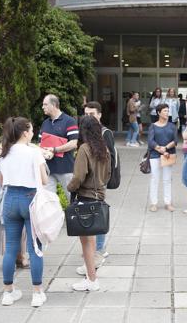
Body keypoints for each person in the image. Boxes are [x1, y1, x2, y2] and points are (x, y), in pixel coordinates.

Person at [0, 117, 48, 307]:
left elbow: (1, 181)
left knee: (10, 248)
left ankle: (8, 293)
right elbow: (43, 180)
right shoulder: (34, 152)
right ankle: (36, 292)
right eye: (32, 130)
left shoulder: (4, 152)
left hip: (10, 199)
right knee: (35, 248)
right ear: (25, 133)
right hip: (30, 199)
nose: (33, 133)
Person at [67, 116, 111, 292]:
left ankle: (91, 280)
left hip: (85, 197)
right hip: (99, 196)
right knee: (91, 241)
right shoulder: (104, 149)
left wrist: (70, 188)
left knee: (85, 242)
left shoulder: (84, 149)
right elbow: (108, 175)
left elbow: (78, 176)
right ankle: (91, 276)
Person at [77, 101, 115, 275]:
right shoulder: (88, 137)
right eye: (86, 114)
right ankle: (95, 254)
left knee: (96, 218)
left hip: (95, 185)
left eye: (91, 114)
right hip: (96, 185)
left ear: (99, 115)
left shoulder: (104, 134)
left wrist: (101, 180)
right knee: (96, 217)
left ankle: (98, 251)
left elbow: (108, 160)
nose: (88, 117)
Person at [40, 94, 79, 195]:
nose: (42, 107)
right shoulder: (45, 123)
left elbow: (74, 143)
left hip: (65, 168)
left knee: (72, 198)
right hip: (48, 169)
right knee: (48, 200)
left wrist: (54, 149)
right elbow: (41, 145)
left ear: (53, 105)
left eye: (45, 104)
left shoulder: (69, 121)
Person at [147, 103, 177, 212]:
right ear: (158, 113)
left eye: (167, 111)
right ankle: (153, 203)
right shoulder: (153, 126)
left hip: (168, 155)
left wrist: (165, 148)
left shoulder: (172, 126)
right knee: (155, 179)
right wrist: (160, 149)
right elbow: (150, 141)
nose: (167, 113)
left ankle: (167, 202)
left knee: (167, 179)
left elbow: (175, 141)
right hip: (155, 155)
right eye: (164, 111)